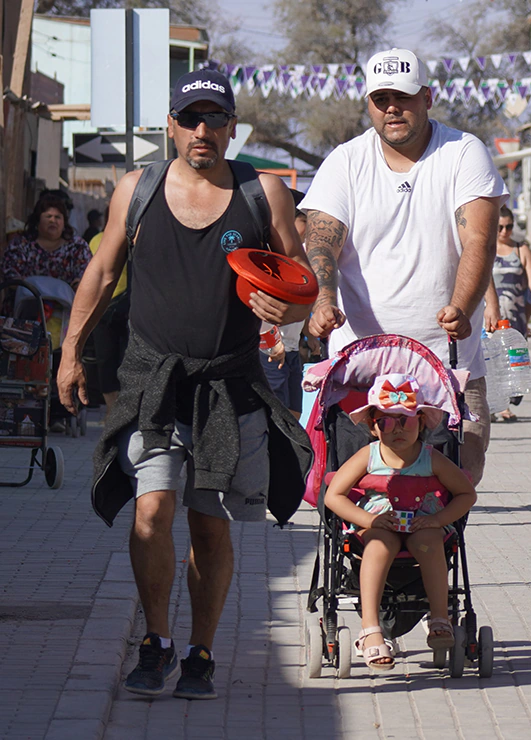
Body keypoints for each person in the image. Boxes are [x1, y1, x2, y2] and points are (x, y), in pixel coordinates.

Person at [56, 69, 314, 701]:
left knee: (209, 527)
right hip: (153, 382)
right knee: (151, 510)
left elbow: (299, 277)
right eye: (191, 118)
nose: (203, 131)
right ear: (171, 125)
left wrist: (293, 308)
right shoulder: (136, 190)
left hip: (229, 384)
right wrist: (70, 354)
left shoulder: (264, 193)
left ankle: (199, 652)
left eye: (215, 119)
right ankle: (156, 643)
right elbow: (101, 273)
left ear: (231, 127)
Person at [301, 47, 507, 486]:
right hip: (361, 370)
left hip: (449, 367)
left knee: (454, 492)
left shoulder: (463, 152)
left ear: (427, 98)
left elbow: (479, 240)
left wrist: (462, 305)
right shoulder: (346, 161)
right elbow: (321, 239)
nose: (392, 108)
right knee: (359, 498)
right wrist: (322, 300)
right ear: (369, 104)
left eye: (404, 97)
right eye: (381, 99)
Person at [322, 373, 477, 670]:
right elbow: (334, 495)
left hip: (424, 525)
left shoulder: (431, 458)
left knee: (431, 543)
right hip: (379, 525)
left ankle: (440, 619)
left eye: (404, 420)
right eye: (386, 422)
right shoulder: (368, 456)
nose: (396, 429)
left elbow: (465, 494)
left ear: (420, 422)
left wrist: (437, 519)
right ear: (373, 427)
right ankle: (370, 630)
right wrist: (370, 519)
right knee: (380, 544)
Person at [488, 205, 531, 421]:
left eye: (509, 227)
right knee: (492, 361)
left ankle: (508, 401)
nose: (504, 232)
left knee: (513, 363)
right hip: (490, 316)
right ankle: (497, 407)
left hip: (515, 317)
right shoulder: (486, 248)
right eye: (500, 227)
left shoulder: (521, 250)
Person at [262, 190, 313, 418]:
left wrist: (309, 335)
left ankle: (291, 454)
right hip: (271, 351)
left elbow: (303, 302)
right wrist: (272, 342)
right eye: (305, 222)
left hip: (291, 349)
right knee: (277, 415)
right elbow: (260, 308)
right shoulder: (268, 258)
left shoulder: (301, 258)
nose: (310, 230)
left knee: (294, 414)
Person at [86, 208, 130, 413]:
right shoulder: (97, 240)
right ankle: (113, 414)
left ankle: (123, 414)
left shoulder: (136, 238)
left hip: (131, 309)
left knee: (126, 362)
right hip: (103, 309)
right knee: (105, 362)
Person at [2, 191, 92, 288]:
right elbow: (10, 275)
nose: (53, 220)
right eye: (48, 216)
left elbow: (88, 277)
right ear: (37, 221)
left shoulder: (77, 247)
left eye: (57, 217)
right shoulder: (20, 245)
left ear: (64, 223)